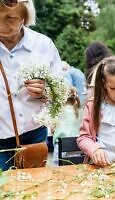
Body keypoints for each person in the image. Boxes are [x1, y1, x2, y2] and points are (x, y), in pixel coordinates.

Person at [0, 0, 62, 171]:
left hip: (34, 139)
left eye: (10, 18)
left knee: (33, 189)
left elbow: (60, 89)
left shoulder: (43, 45)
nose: (1, 24)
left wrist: (45, 91)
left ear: (25, 16)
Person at [52, 88, 82, 165]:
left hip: (61, 143)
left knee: (58, 169)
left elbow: (53, 128)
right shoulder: (80, 110)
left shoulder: (59, 110)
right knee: (74, 168)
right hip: (76, 144)